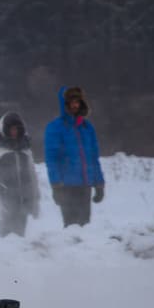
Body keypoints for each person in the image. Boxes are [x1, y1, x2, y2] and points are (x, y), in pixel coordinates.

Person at [43, 86, 105, 226]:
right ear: (65, 104)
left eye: (77, 101)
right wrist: (56, 185)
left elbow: (94, 159)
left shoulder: (87, 128)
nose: (75, 105)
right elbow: (52, 160)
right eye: (71, 102)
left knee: (85, 226)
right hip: (66, 186)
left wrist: (99, 183)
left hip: (85, 185)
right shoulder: (55, 128)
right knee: (71, 228)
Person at [0, 111, 40, 237]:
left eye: (17, 129)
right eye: (11, 129)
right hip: (6, 201)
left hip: (23, 201)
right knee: (8, 240)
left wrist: (35, 201)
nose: (14, 132)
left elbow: (32, 175)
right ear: (4, 129)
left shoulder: (25, 148)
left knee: (20, 238)